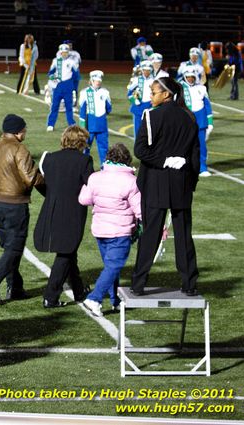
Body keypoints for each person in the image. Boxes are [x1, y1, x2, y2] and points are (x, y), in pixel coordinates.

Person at [131, 77, 200, 296]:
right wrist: (190, 182)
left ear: (166, 94)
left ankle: (139, 283)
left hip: (156, 182)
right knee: (183, 235)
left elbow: (140, 150)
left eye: (153, 93)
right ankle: (189, 283)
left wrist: (162, 161)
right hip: (181, 183)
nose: (150, 96)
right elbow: (195, 158)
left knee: (150, 234)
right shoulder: (189, 118)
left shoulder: (151, 116)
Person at [0, 114, 42, 305]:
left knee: (8, 247)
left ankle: (15, 287)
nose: (25, 132)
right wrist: (47, 189)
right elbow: (30, 177)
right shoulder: (20, 149)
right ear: (18, 132)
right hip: (15, 205)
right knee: (15, 247)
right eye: (24, 129)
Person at [78, 143, 141, 317]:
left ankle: (115, 300)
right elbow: (140, 209)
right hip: (120, 230)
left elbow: (83, 199)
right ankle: (95, 298)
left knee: (110, 266)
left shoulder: (95, 177)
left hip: (100, 229)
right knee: (114, 266)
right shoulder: (131, 181)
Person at [33, 126, 94, 308]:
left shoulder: (50, 158)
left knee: (69, 251)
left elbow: (38, 181)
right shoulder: (84, 160)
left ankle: (79, 291)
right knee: (66, 252)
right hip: (73, 212)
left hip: (51, 209)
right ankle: (50, 297)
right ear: (81, 141)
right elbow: (90, 184)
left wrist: (51, 195)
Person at [181, 70, 213, 176]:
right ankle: (186, 166)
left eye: (192, 77)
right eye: (188, 76)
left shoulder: (202, 88)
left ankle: (202, 167)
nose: (190, 79)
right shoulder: (180, 88)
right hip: (185, 121)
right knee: (184, 145)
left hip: (200, 120)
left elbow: (207, 106)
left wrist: (210, 122)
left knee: (201, 145)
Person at [78, 70, 112, 167]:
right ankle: (83, 167)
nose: (98, 82)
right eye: (96, 80)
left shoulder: (105, 92)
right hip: (89, 126)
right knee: (85, 147)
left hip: (102, 126)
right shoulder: (85, 93)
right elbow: (82, 111)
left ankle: (104, 168)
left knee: (104, 148)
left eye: (99, 80)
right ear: (92, 80)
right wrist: (82, 127)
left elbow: (109, 108)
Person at [46, 44, 78, 132]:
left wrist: (74, 87)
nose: (64, 54)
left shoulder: (72, 62)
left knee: (69, 107)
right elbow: (50, 73)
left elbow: (76, 76)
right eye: (63, 52)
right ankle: (50, 124)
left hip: (68, 86)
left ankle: (71, 124)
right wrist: (53, 79)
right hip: (58, 86)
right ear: (60, 52)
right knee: (54, 106)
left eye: (66, 52)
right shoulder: (56, 61)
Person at [127, 60, 155, 140]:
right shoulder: (137, 80)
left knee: (150, 130)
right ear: (142, 70)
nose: (146, 72)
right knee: (138, 130)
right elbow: (129, 93)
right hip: (138, 107)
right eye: (145, 70)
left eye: (148, 70)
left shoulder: (154, 81)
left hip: (150, 107)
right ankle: (138, 149)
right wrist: (134, 100)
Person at [63, 40, 82, 107]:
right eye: (68, 45)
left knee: (74, 89)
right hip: (66, 74)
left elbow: (79, 62)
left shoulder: (76, 53)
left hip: (75, 73)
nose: (70, 46)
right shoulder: (62, 53)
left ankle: (74, 104)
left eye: (71, 45)